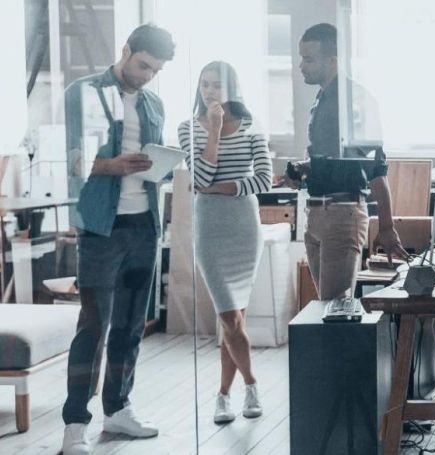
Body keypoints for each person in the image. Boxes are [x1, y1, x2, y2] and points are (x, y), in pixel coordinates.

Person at [61, 24, 175, 455]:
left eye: (155, 70)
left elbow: (154, 161)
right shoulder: (83, 92)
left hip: (144, 225)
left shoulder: (154, 103)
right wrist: (113, 166)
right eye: (143, 65)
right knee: (92, 327)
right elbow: (71, 159)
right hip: (100, 229)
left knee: (130, 326)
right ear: (125, 50)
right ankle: (75, 424)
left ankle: (118, 408)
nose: (147, 75)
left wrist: (158, 165)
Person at [178, 61, 271, 424]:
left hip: (244, 227)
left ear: (232, 88)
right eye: (204, 84)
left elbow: (263, 180)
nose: (209, 91)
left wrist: (219, 189)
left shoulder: (251, 127)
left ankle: (222, 396)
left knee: (233, 321)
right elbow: (199, 174)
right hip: (211, 230)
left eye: (216, 85)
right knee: (230, 317)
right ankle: (252, 384)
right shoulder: (187, 128)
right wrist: (214, 130)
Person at [287, 23, 408, 300]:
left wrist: (387, 228)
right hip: (317, 213)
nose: (301, 66)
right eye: (301, 58)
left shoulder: (355, 101)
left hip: (341, 214)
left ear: (332, 61)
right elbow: (332, 161)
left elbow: (375, 168)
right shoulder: (322, 99)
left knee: (335, 310)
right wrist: (302, 170)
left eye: (308, 59)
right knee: (326, 309)